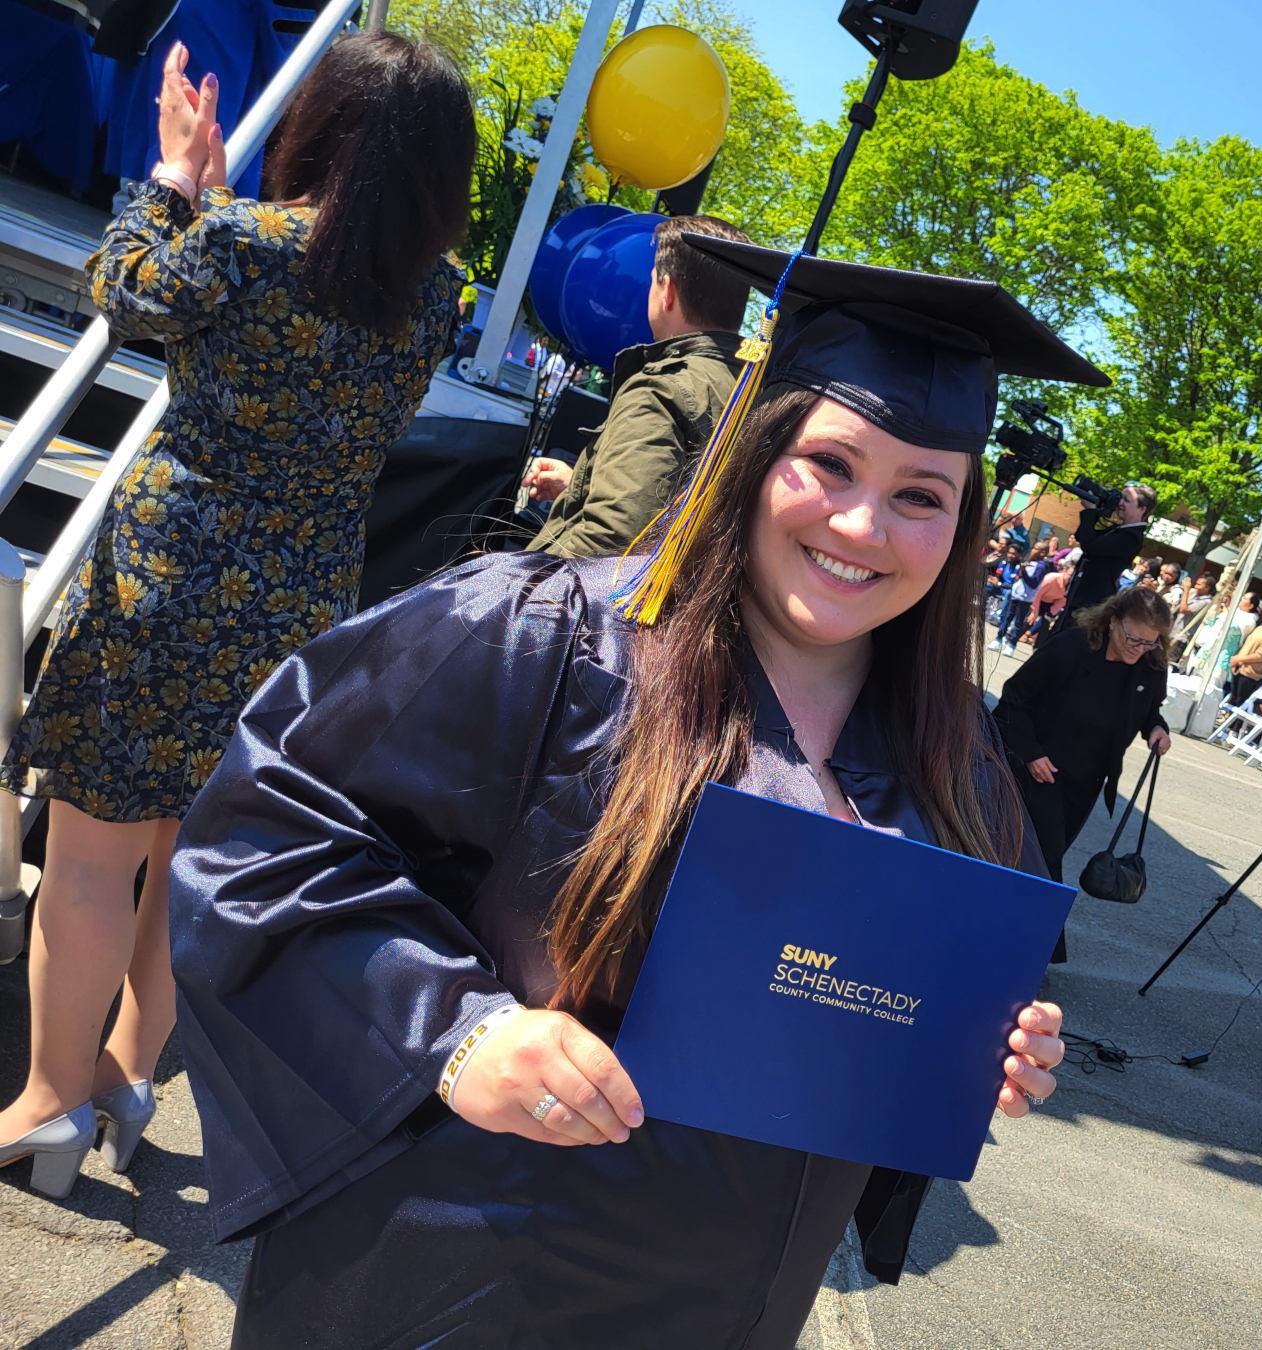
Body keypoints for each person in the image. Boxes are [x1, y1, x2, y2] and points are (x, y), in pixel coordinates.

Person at [166, 244, 1084, 1344]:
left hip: (725, 1306)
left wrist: (989, 1046)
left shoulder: (956, 759)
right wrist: (456, 1031)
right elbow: (268, 830)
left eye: (919, 495)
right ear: (754, 450)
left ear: (963, 527)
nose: (862, 526)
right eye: (830, 465)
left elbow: (900, 1009)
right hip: (453, 1271)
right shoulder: (546, 633)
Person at [0, 33, 472, 1199]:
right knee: (189, 861)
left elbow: (123, 287)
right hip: (302, 606)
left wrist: (173, 178)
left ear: (321, 126)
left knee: (92, 856)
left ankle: (47, 1104)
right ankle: (125, 1077)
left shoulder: (245, 250)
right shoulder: (436, 302)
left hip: (175, 581)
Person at [525, 215, 753, 556]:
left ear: (668, 291)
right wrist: (578, 486)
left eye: (652, 282)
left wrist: (511, 596)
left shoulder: (660, 391)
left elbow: (604, 548)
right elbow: (675, 506)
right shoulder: (754, 388)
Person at [994, 588, 1174, 964]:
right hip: (1039, 770)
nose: (1138, 648)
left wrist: (1157, 728)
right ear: (1112, 620)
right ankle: (1033, 955)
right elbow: (1014, 699)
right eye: (1132, 637)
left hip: (1088, 780)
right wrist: (1031, 753)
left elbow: (1149, 709)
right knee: (1045, 862)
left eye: (1149, 642)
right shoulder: (1070, 648)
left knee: (1036, 858)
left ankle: (1002, 936)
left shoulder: (1151, 665)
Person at [1061, 485, 1156, 617]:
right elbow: (1081, 536)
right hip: (1079, 598)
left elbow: (1090, 545)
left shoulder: (1132, 538)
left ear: (1142, 509)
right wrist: (1100, 509)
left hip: (1090, 604)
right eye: (1120, 498)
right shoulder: (1119, 529)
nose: (1120, 503)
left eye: (1126, 500)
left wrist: (1090, 510)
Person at [990, 538, 1052, 655]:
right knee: (1007, 618)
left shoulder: (1042, 567)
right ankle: (998, 638)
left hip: (1026, 598)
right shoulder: (1031, 562)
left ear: (1042, 553)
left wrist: (1023, 572)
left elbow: (1033, 583)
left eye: (1035, 549)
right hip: (1015, 595)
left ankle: (1011, 644)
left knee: (1018, 622)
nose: (1032, 551)